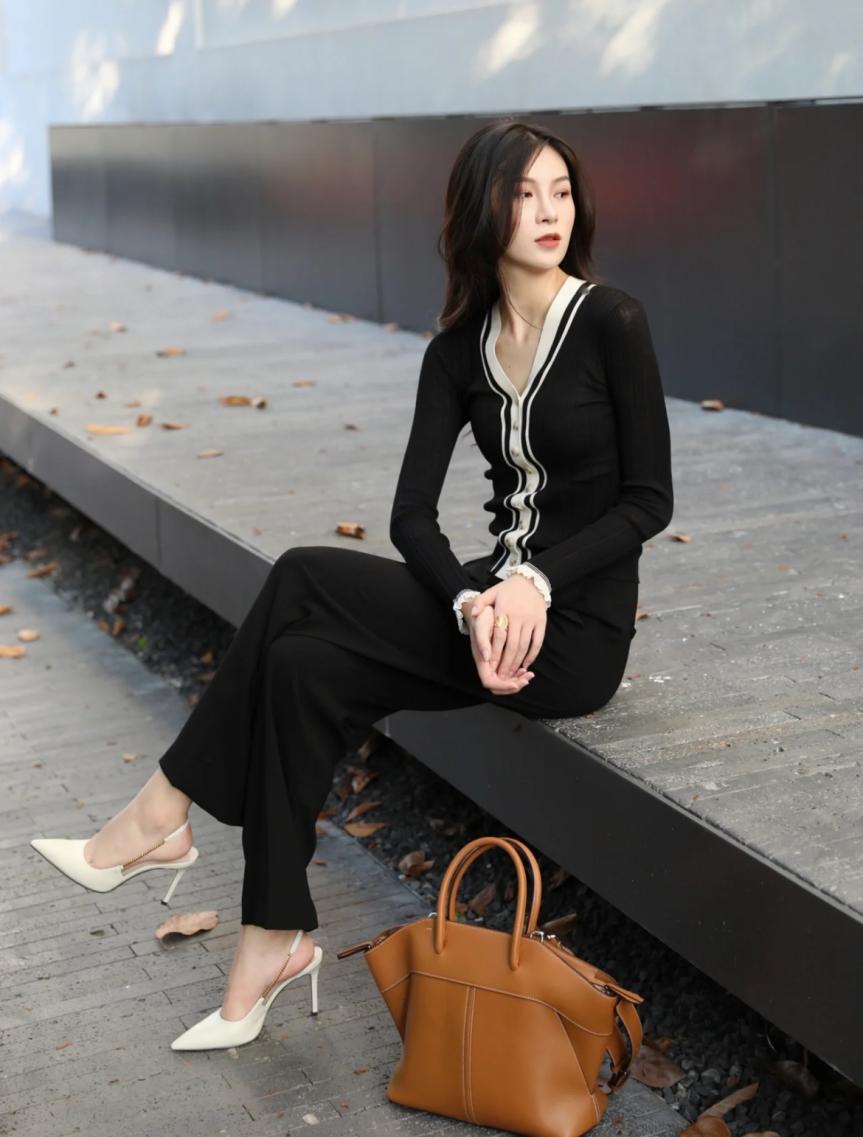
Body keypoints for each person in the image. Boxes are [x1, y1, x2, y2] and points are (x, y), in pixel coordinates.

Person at [29, 118, 674, 1051]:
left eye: (561, 191)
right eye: (523, 193)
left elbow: (648, 500)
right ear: (481, 210)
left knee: (301, 576)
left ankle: (162, 812)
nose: (549, 212)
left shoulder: (611, 321)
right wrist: (470, 601)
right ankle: (271, 940)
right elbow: (412, 517)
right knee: (300, 666)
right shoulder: (457, 352)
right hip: (488, 607)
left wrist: (533, 580)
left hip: (575, 630)